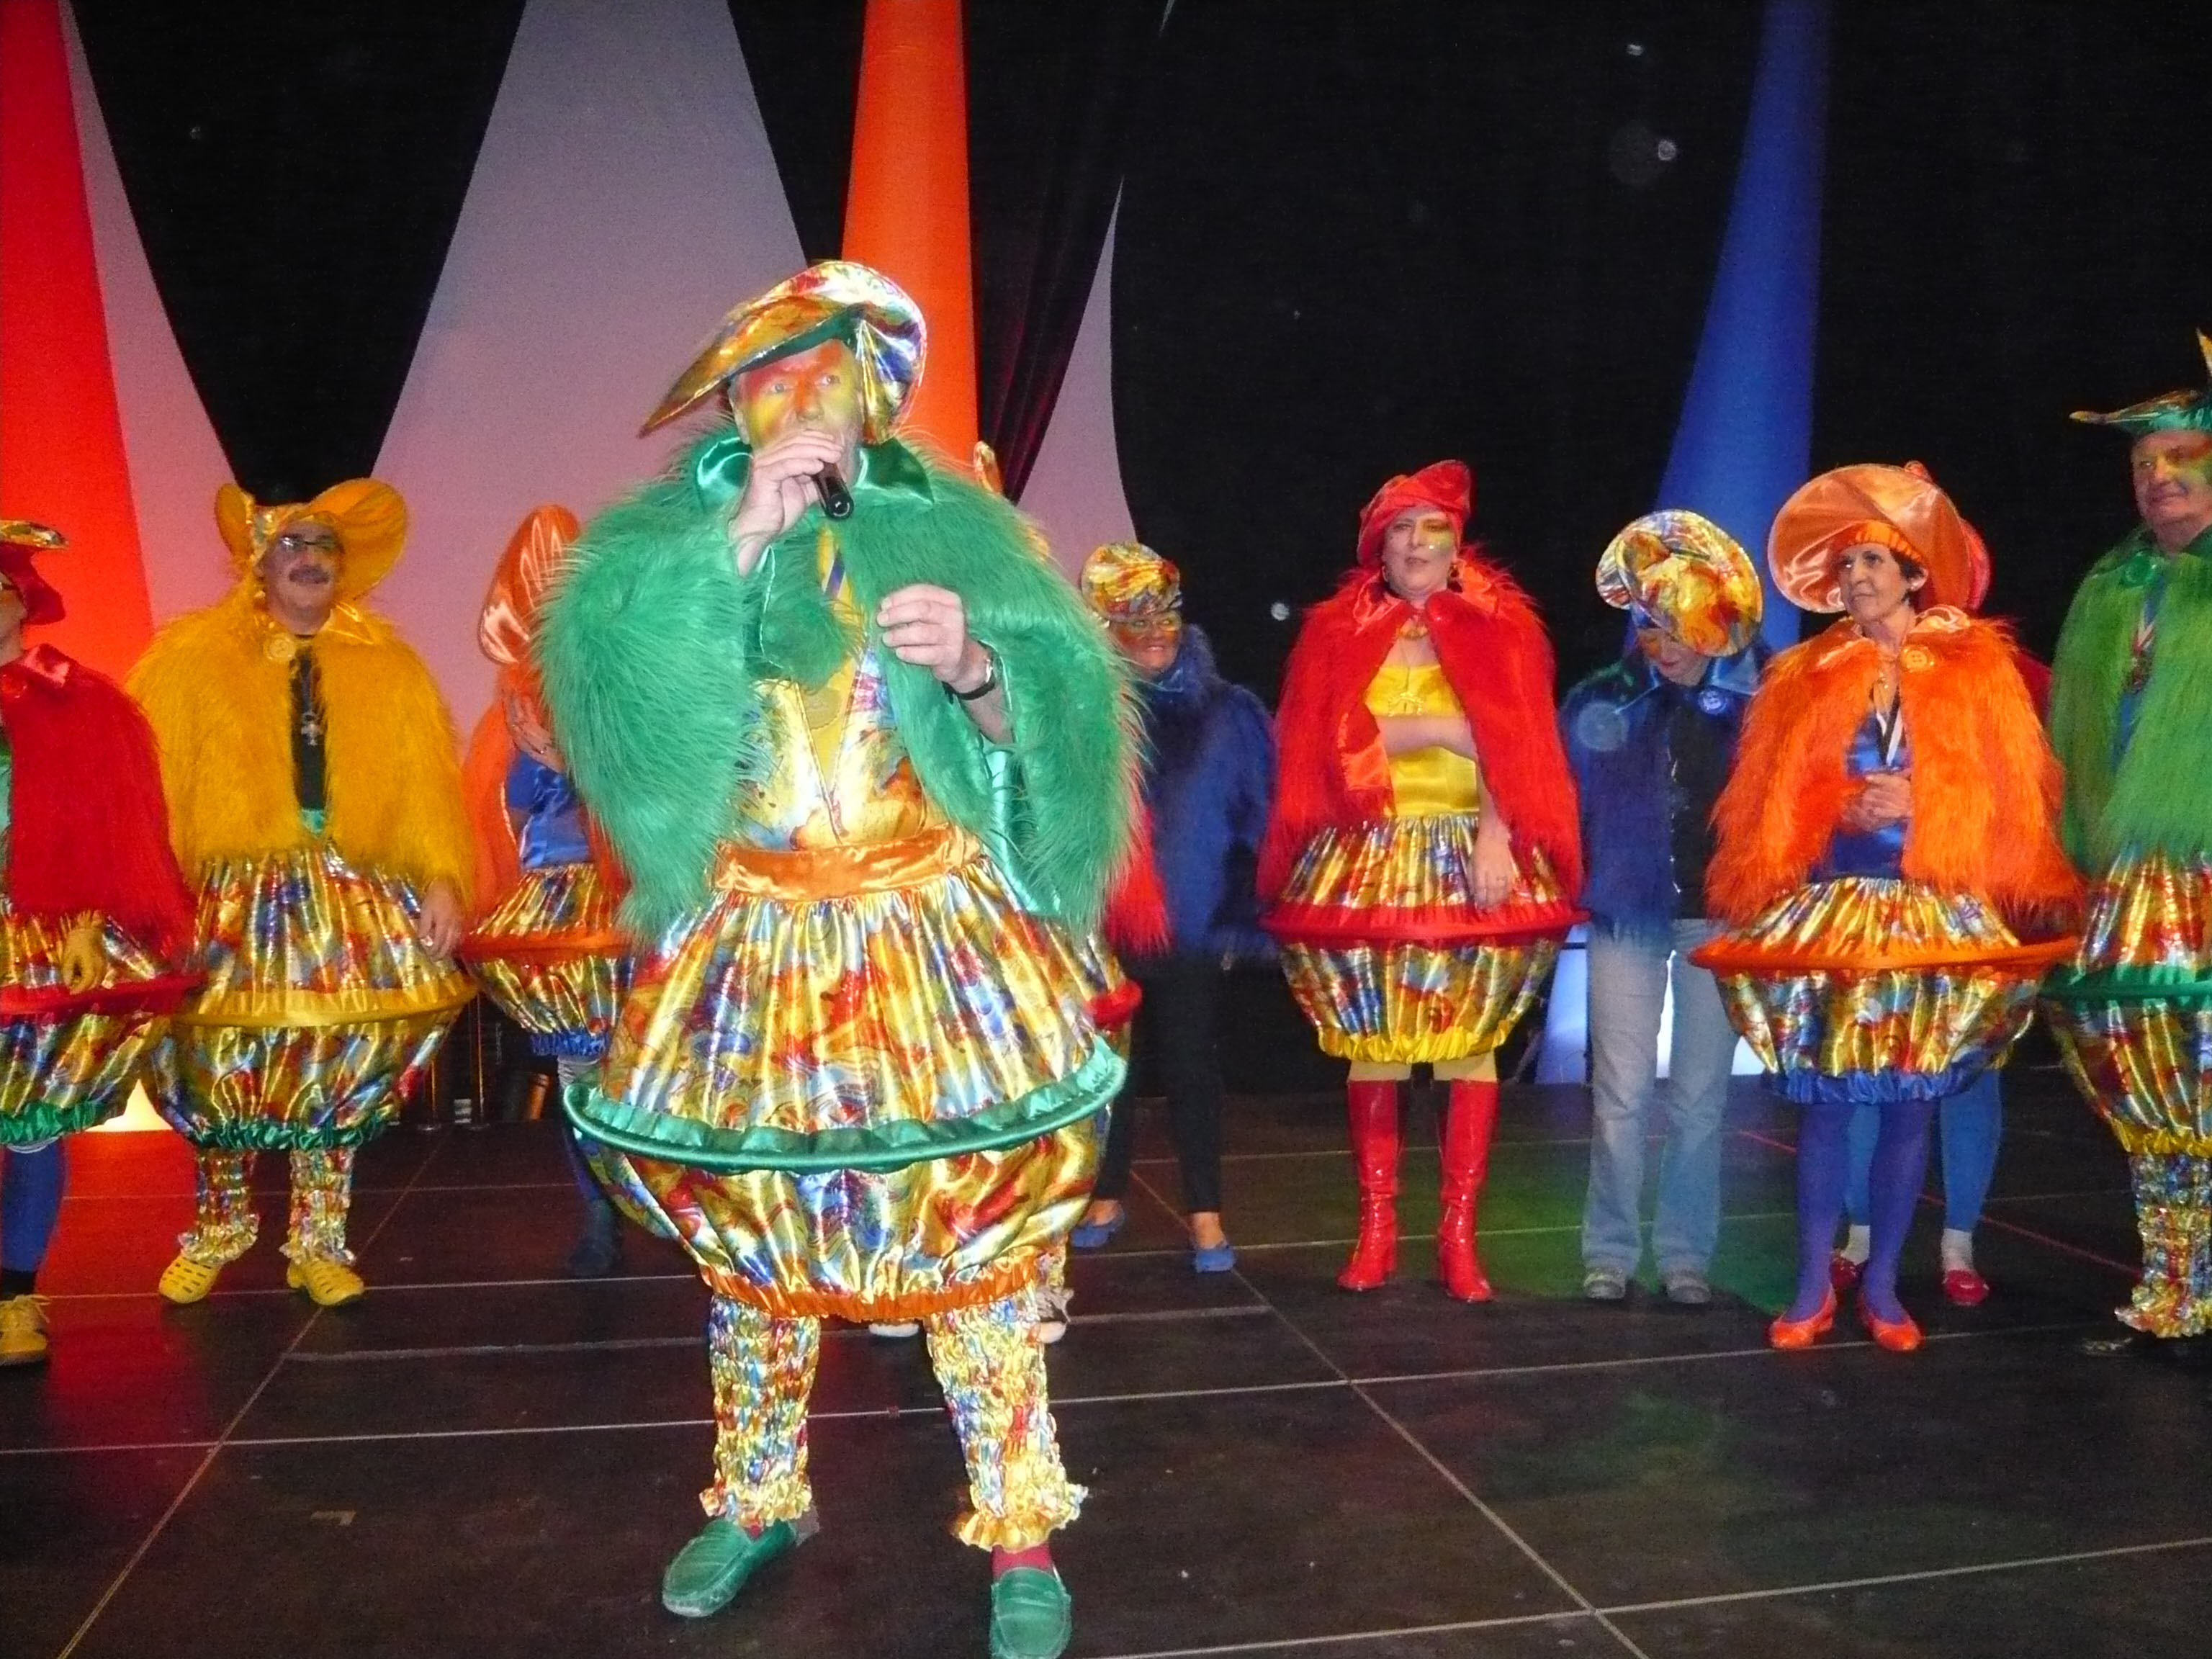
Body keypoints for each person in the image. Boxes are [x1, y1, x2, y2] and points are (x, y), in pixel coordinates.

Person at [537, 261, 1136, 1659]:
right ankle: (757, 1496)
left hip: (928, 939)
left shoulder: (959, 529)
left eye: (828, 374)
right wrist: (735, 550)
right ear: (735, 404)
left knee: (971, 1229)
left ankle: (1020, 1523)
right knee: (755, 1239)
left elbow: (1065, 734)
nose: (802, 400)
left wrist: (980, 667)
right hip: (750, 943)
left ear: (874, 396)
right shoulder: (661, 550)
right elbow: (618, 736)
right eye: (771, 376)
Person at [1695, 462, 2079, 1352]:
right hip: (1840, 910)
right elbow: (1769, 804)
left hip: (1933, 910)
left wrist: (1924, 803)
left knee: (1912, 1102)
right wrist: (1843, 804)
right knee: (1829, 1102)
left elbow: (2012, 799)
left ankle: (1883, 1289)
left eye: (1873, 561)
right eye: (1846, 565)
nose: (1857, 577)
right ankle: (1808, 1289)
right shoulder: (1807, 672)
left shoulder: (1975, 669)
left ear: (1914, 575)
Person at [130, 480, 475, 1308]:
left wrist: (441, 876)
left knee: (334, 1057)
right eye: (293, 543)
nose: (311, 559)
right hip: (231, 895)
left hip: (347, 892)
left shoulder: (389, 668)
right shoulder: (192, 662)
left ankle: (319, 1242)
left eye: (325, 546)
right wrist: (151, 896)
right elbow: (150, 791)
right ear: (259, 560)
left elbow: (425, 789)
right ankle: (218, 1230)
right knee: (219, 1060)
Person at [1261, 461, 1583, 1301]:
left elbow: (1515, 743)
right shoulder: (1340, 629)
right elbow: (1325, 741)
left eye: (1430, 528)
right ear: (1379, 545)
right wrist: (1443, 727)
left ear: (1455, 542)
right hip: (1368, 851)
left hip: (1468, 848)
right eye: (1399, 529)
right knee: (1375, 1045)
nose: (1414, 544)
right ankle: (1376, 1231)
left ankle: (1458, 1238)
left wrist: (1495, 833)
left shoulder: (1501, 624)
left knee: (1465, 1045)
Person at [2045, 333, 2212, 1354]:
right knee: (2144, 1086)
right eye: (2145, 464)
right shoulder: (2112, 584)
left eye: (2181, 458)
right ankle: (2176, 1288)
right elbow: (2075, 744)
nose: (2159, 478)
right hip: (2125, 887)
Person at [1560, 511, 1765, 1307]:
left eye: (1677, 624)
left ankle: (1685, 1255)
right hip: (1627, 915)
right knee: (1619, 1095)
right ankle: (1609, 1251)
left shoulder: (1764, 697)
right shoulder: (1603, 699)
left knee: (1700, 1101)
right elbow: (1558, 805)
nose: (1661, 642)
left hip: (1719, 916)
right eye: (1648, 624)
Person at [0, 521, 194, 1365]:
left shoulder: (70, 695)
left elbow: (111, 822)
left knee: (29, 1122)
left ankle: (14, 1298)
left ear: (23, 602)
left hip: (38, 941)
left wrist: (84, 920)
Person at [1070, 543, 1274, 1273]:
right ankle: (1104, 1194)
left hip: (1193, 921)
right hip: (1103, 925)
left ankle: (1206, 1212)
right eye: (1136, 617)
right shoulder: (1084, 711)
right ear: (1106, 628)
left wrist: (1240, 916)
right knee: (1107, 1073)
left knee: (1192, 1066)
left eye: (1167, 614)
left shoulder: (1228, 712)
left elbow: (1260, 818)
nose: (1156, 631)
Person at [457, 505, 634, 1277]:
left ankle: (654, 1198)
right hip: (562, 909)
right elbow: (512, 805)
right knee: (577, 1071)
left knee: (651, 1065)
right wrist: (541, 759)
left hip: (634, 899)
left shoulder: (631, 685)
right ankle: (598, 1210)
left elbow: (664, 797)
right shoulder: (519, 704)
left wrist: (584, 761)